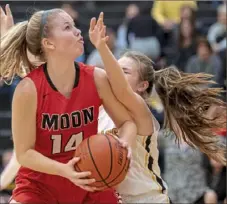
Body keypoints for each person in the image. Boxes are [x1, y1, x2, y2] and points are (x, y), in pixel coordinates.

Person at [0, 8, 137, 203]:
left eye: (74, 25)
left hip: (90, 181)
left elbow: (127, 123)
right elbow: (24, 154)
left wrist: (125, 144)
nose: (78, 31)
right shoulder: (28, 90)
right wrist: (63, 170)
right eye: (67, 27)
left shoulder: (96, 78)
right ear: (48, 43)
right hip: (40, 185)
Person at [89, 13, 226, 203]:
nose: (115, 74)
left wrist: (102, 48)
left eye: (125, 71)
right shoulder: (101, 111)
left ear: (142, 85)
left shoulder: (140, 109)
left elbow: (121, 89)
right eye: (115, 69)